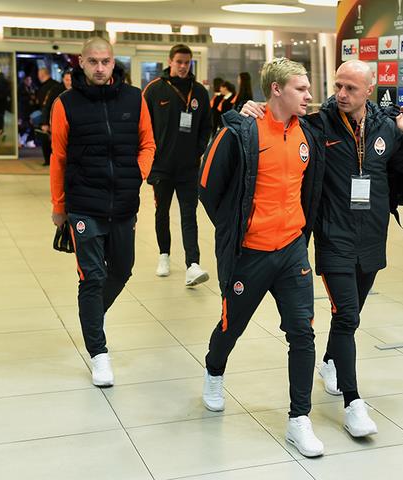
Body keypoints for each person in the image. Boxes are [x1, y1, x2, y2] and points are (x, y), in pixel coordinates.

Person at [241, 59, 403, 437]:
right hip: (334, 237)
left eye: (351, 88)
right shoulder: (318, 124)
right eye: (338, 86)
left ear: (369, 90)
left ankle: (331, 360)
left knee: (352, 313)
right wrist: (251, 109)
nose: (341, 94)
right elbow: (279, 119)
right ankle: (353, 403)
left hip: (372, 235)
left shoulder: (386, 125)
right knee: (346, 316)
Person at [198, 57, 326, 458]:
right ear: (276, 90)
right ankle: (214, 371)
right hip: (249, 253)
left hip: (291, 250)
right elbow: (207, 186)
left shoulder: (308, 133)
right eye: (301, 88)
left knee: (302, 333)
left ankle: (299, 419)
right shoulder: (241, 130)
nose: (308, 95)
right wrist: (235, 228)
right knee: (231, 326)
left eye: (308, 88)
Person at [49, 37, 155, 387]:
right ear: (81, 62)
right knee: (92, 277)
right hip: (84, 205)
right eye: (92, 61)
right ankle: (99, 353)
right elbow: (58, 157)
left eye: (105, 61)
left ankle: (91, 315)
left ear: (113, 62)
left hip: (124, 203)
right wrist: (59, 206)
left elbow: (148, 143)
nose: (99, 67)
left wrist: (137, 173)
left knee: (122, 270)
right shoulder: (66, 103)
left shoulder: (133, 98)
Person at [143, 44, 212, 286]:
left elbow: (206, 126)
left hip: (188, 168)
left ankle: (192, 264)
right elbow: (143, 126)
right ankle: (164, 255)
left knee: (189, 214)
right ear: (170, 61)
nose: (183, 66)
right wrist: (148, 157)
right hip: (161, 166)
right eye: (179, 62)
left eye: (187, 62)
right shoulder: (154, 90)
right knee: (161, 212)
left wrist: (198, 151)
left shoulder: (199, 92)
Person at [37, 67, 64, 166]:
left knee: (47, 139)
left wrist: (44, 121)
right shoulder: (57, 85)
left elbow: (45, 105)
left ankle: (49, 160)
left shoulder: (47, 88)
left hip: (49, 116)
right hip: (55, 116)